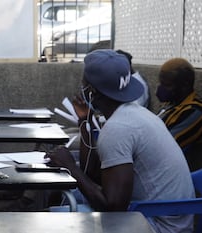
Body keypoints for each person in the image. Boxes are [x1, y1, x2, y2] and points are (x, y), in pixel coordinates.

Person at [46, 49, 195, 233]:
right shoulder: (135, 114)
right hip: (171, 220)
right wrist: (85, 122)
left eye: (84, 83)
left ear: (91, 91)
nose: (81, 88)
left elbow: (113, 209)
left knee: (53, 223)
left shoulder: (118, 128)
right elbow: (92, 173)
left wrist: (71, 167)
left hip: (160, 227)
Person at [156, 58, 202, 172]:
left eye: (167, 85)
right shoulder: (171, 104)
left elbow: (162, 146)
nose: (161, 89)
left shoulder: (194, 112)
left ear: (185, 84)